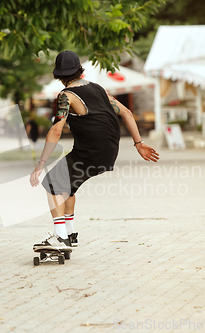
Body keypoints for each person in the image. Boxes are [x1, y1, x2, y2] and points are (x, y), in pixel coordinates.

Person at [29, 50, 159, 251]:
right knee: (67, 185)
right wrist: (138, 143)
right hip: (107, 149)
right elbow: (126, 112)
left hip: (90, 151)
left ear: (59, 75)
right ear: (79, 70)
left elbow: (56, 130)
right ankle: (70, 235)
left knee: (52, 183)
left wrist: (40, 164)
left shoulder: (65, 95)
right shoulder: (98, 89)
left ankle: (61, 238)